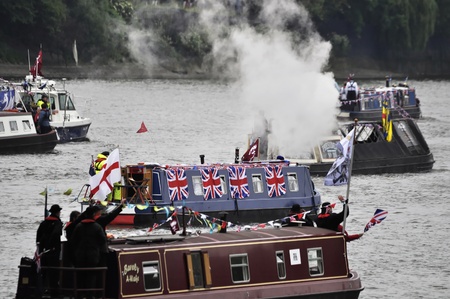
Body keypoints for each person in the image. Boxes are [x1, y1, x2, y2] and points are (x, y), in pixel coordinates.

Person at [71, 206, 108, 299]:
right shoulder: (97, 227)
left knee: (81, 275)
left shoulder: (79, 226)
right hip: (93, 256)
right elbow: (102, 240)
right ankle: (90, 295)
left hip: (80, 256)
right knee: (91, 276)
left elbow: (73, 241)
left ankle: (79, 294)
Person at [36, 204, 63, 297]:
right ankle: (54, 293)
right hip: (53, 250)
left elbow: (38, 236)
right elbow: (57, 234)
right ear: (57, 212)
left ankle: (41, 291)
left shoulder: (43, 223)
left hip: (42, 251)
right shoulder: (58, 223)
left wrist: (40, 247)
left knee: (43, 272)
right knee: (54, 273)